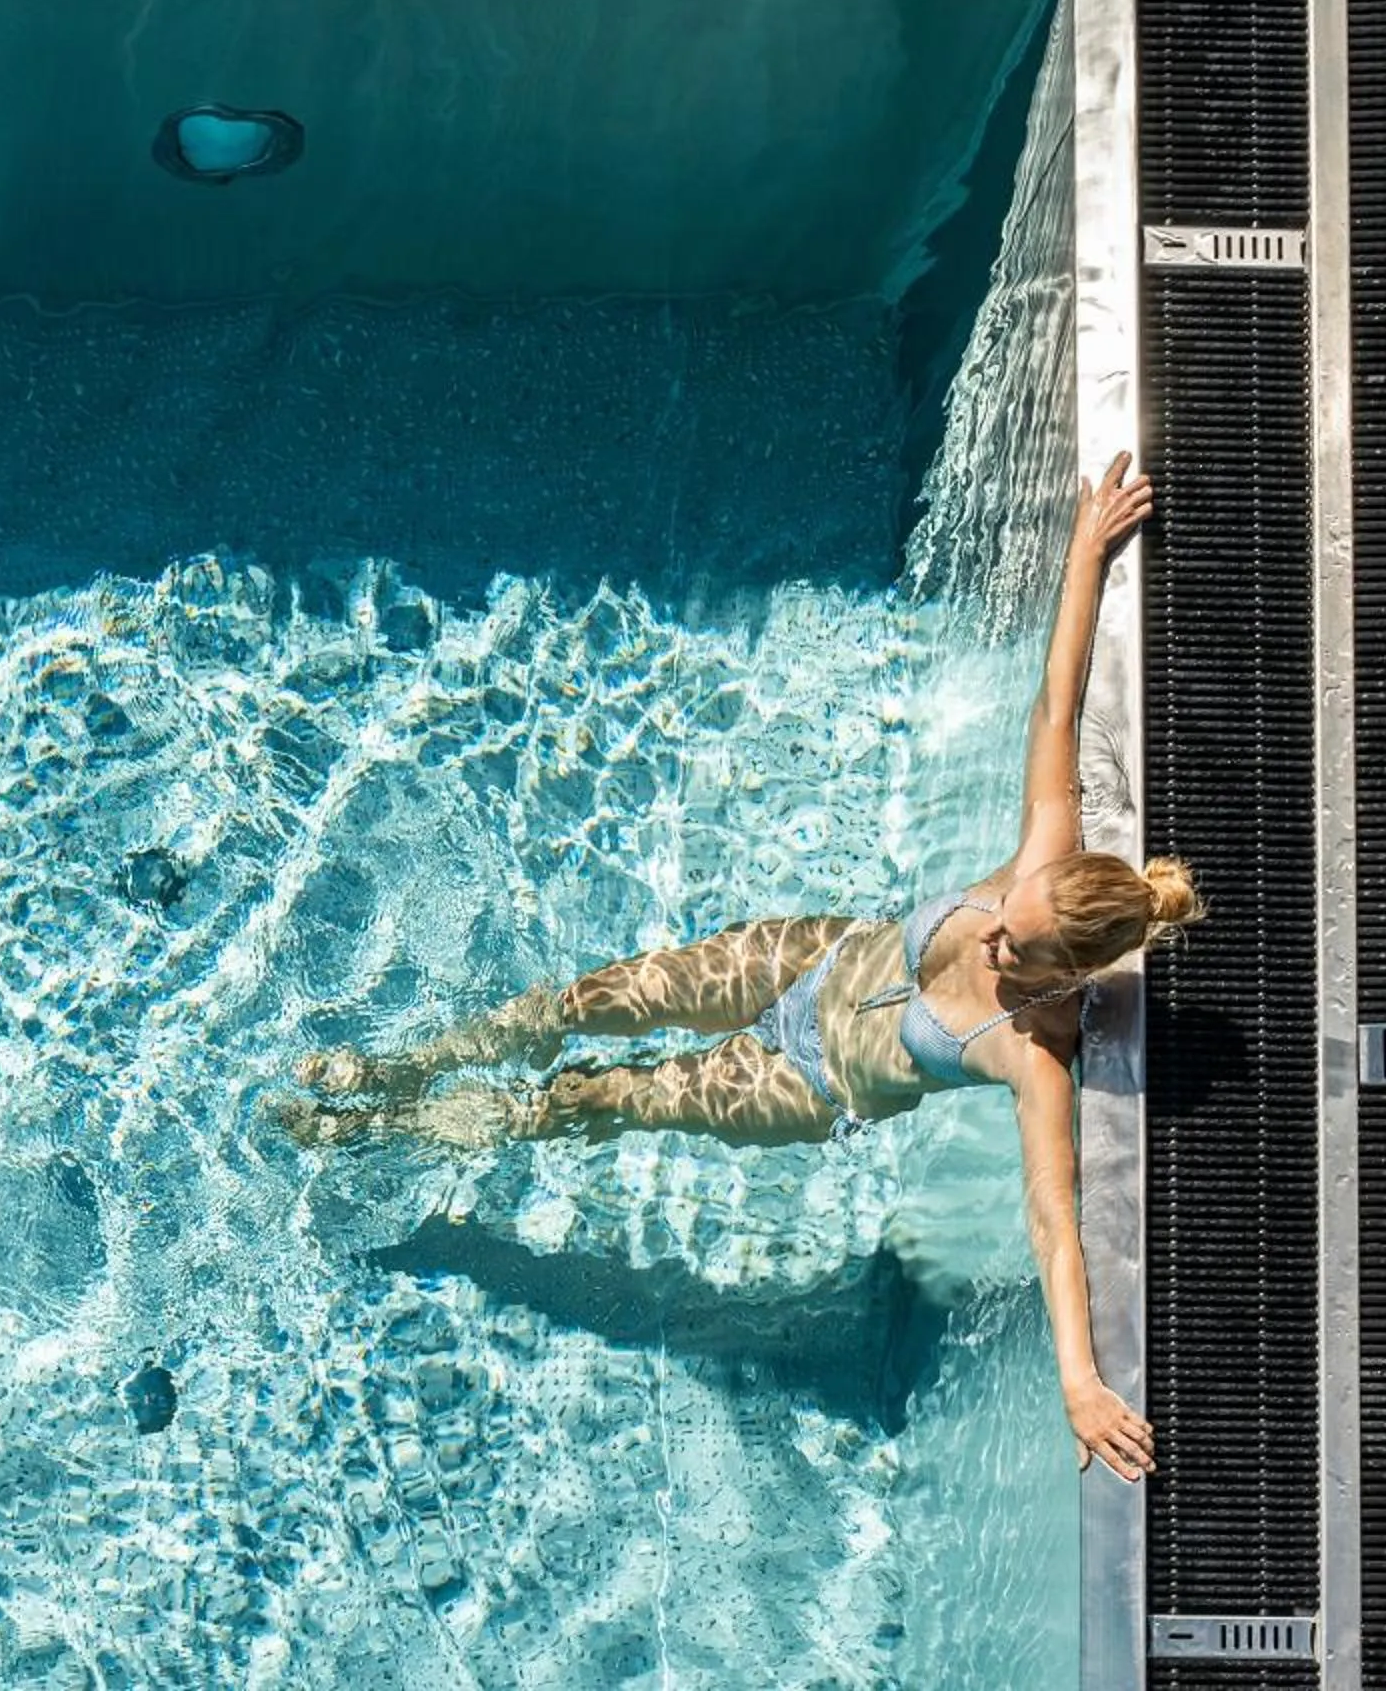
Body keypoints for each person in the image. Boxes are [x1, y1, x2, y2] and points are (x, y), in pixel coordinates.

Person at [278, 456, 1185, 1482]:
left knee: (586, 1100)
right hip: (809, 953)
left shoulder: (1039, 1061)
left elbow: (1055, 1223)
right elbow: (1054, 709)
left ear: (1064, 972)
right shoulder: (1045, 855)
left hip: (805, 1084)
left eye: (1012, 947)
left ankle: (384, 1126)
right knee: (584, 1002)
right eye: (1001, 918)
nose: (988, 937)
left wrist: (1079, 1382)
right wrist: (1084, 545)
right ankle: (404, 1066)